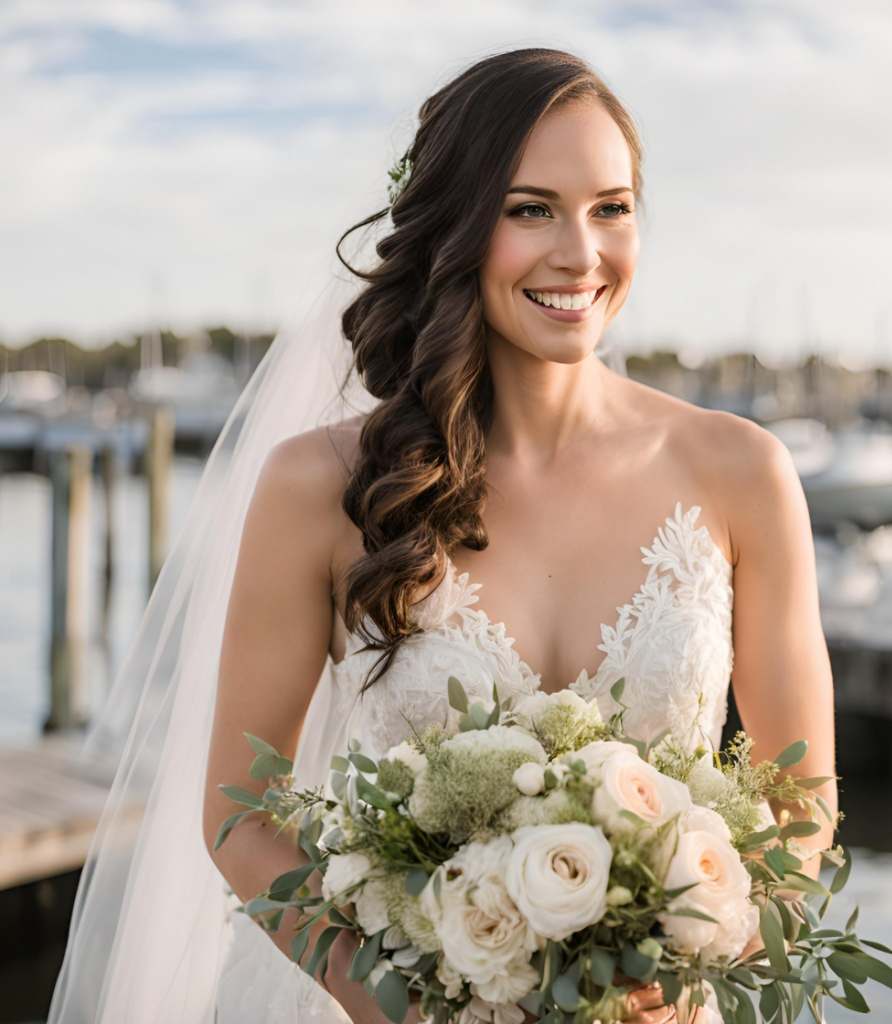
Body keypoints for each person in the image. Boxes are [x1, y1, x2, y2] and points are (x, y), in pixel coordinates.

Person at [49, 47, 837, 1024]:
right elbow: (237, 812)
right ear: (456, 223)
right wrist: (386, 995)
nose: (580, 253)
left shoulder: (740, 472)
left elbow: (804, 814)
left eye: (611, 207)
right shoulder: (318, 487)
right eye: (529, 207)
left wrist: (685, 961)